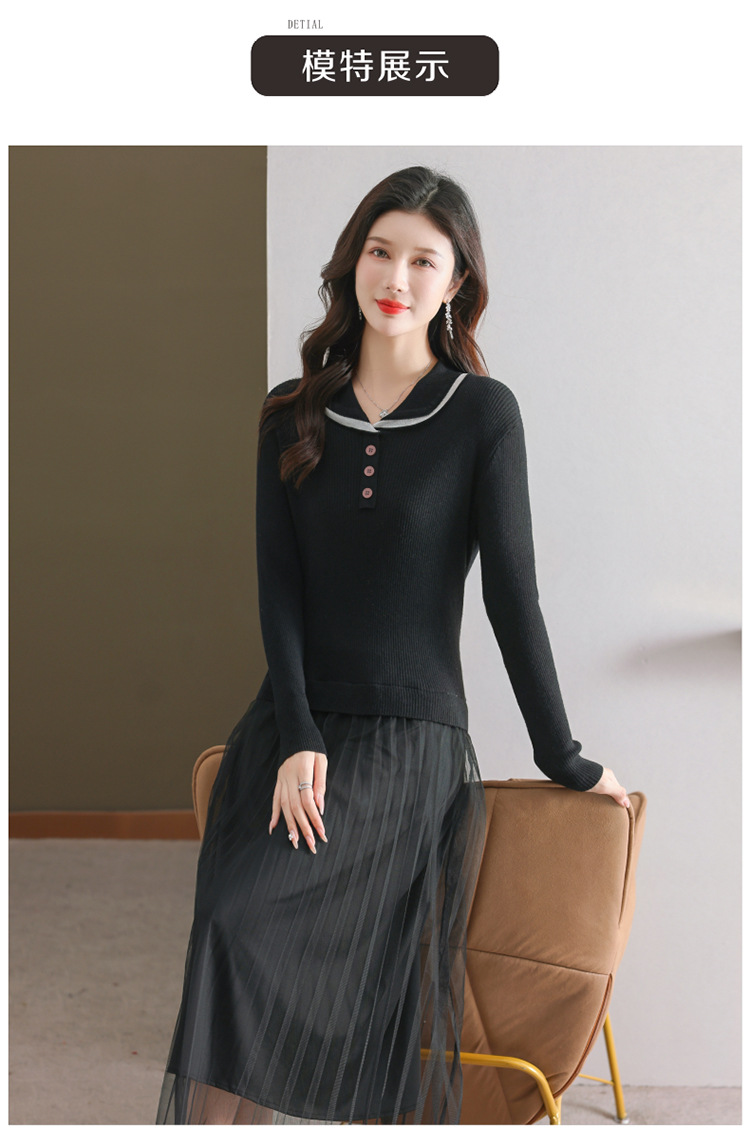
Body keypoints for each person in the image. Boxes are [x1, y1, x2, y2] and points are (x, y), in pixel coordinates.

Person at [155, 165, 629, 1126]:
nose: (396, 278)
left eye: (423, 261)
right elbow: (280, 592)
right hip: (293, 728)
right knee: (232, 930)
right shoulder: (289, 412)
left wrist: (565, 757)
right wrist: (296, 735)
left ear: (455, 284)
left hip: (409, 741)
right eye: (381, 251)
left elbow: (513, 599)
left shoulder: (482, 416)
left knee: (257, 935)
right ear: (352, 261)